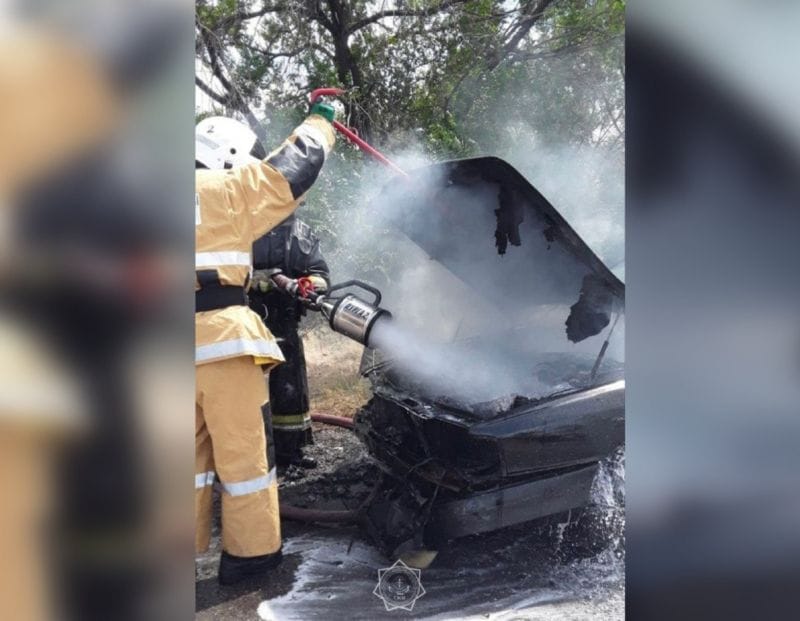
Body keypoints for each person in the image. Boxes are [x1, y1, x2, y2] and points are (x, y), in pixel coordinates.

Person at [195, 105, 336, 585]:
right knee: (244, 457)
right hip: (222, 344)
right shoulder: (231, 190)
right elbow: (300, 161)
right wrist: (322, 116)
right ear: (230, 156)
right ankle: (250, 557)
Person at [250, 215, 330, 469]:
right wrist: (250, 278)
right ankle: (248, 455)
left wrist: (305, 286)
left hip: (285, 319)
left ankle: (290, 451)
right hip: (246, 322)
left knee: (289, 390)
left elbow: (321, 274)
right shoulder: (241, 221)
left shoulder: (301, 233)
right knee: (245, 391)